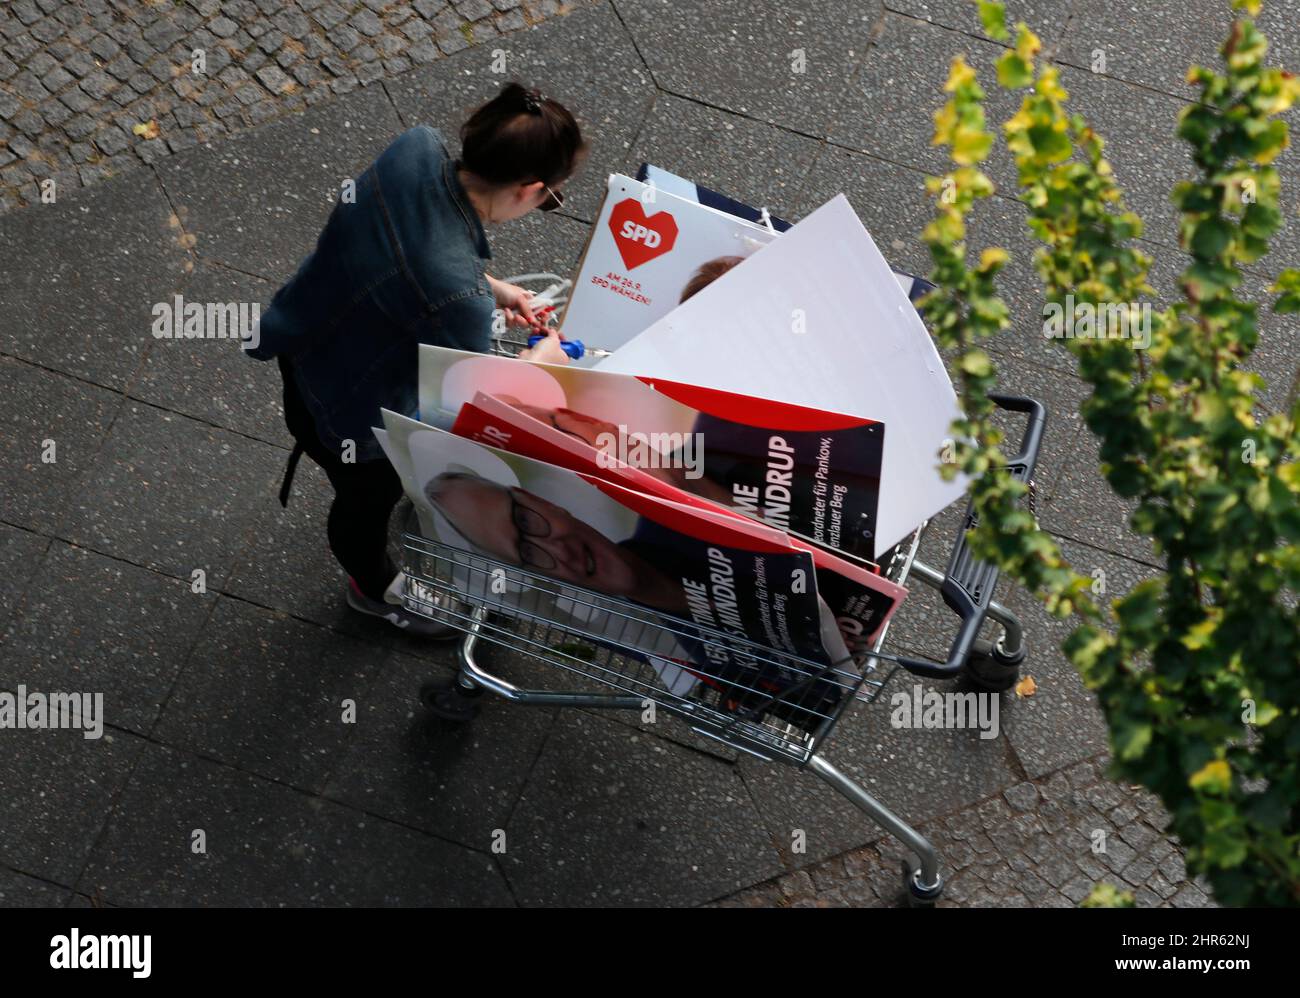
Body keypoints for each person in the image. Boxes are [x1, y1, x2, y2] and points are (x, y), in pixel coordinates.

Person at [245, 82, 587, 636]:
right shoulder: (458, 300)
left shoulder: (415, 148)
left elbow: (409, 240)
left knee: (350, 476)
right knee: (363, 504)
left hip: (307, 341)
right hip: (358, 417)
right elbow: (475, 402)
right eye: (551, 197)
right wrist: (543, 361)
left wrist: (495, 288)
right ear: (529, 189)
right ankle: (374, 590)